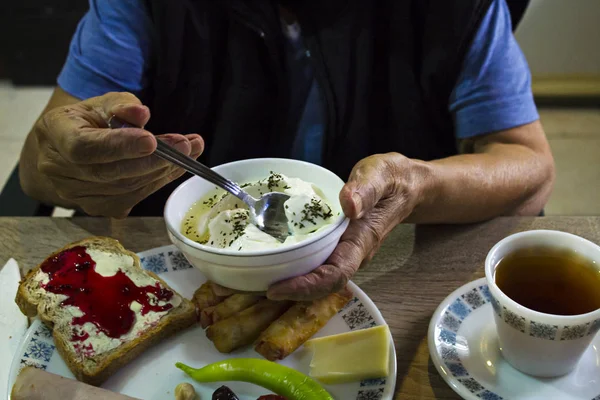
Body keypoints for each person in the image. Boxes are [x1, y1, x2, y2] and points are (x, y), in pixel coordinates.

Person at [19, 0, 554, 300]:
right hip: (178, 279)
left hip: (392, 286)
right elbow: (37, 169)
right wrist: (64, 160)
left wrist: (418, 185)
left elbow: (528, 165)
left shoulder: (459, 12)